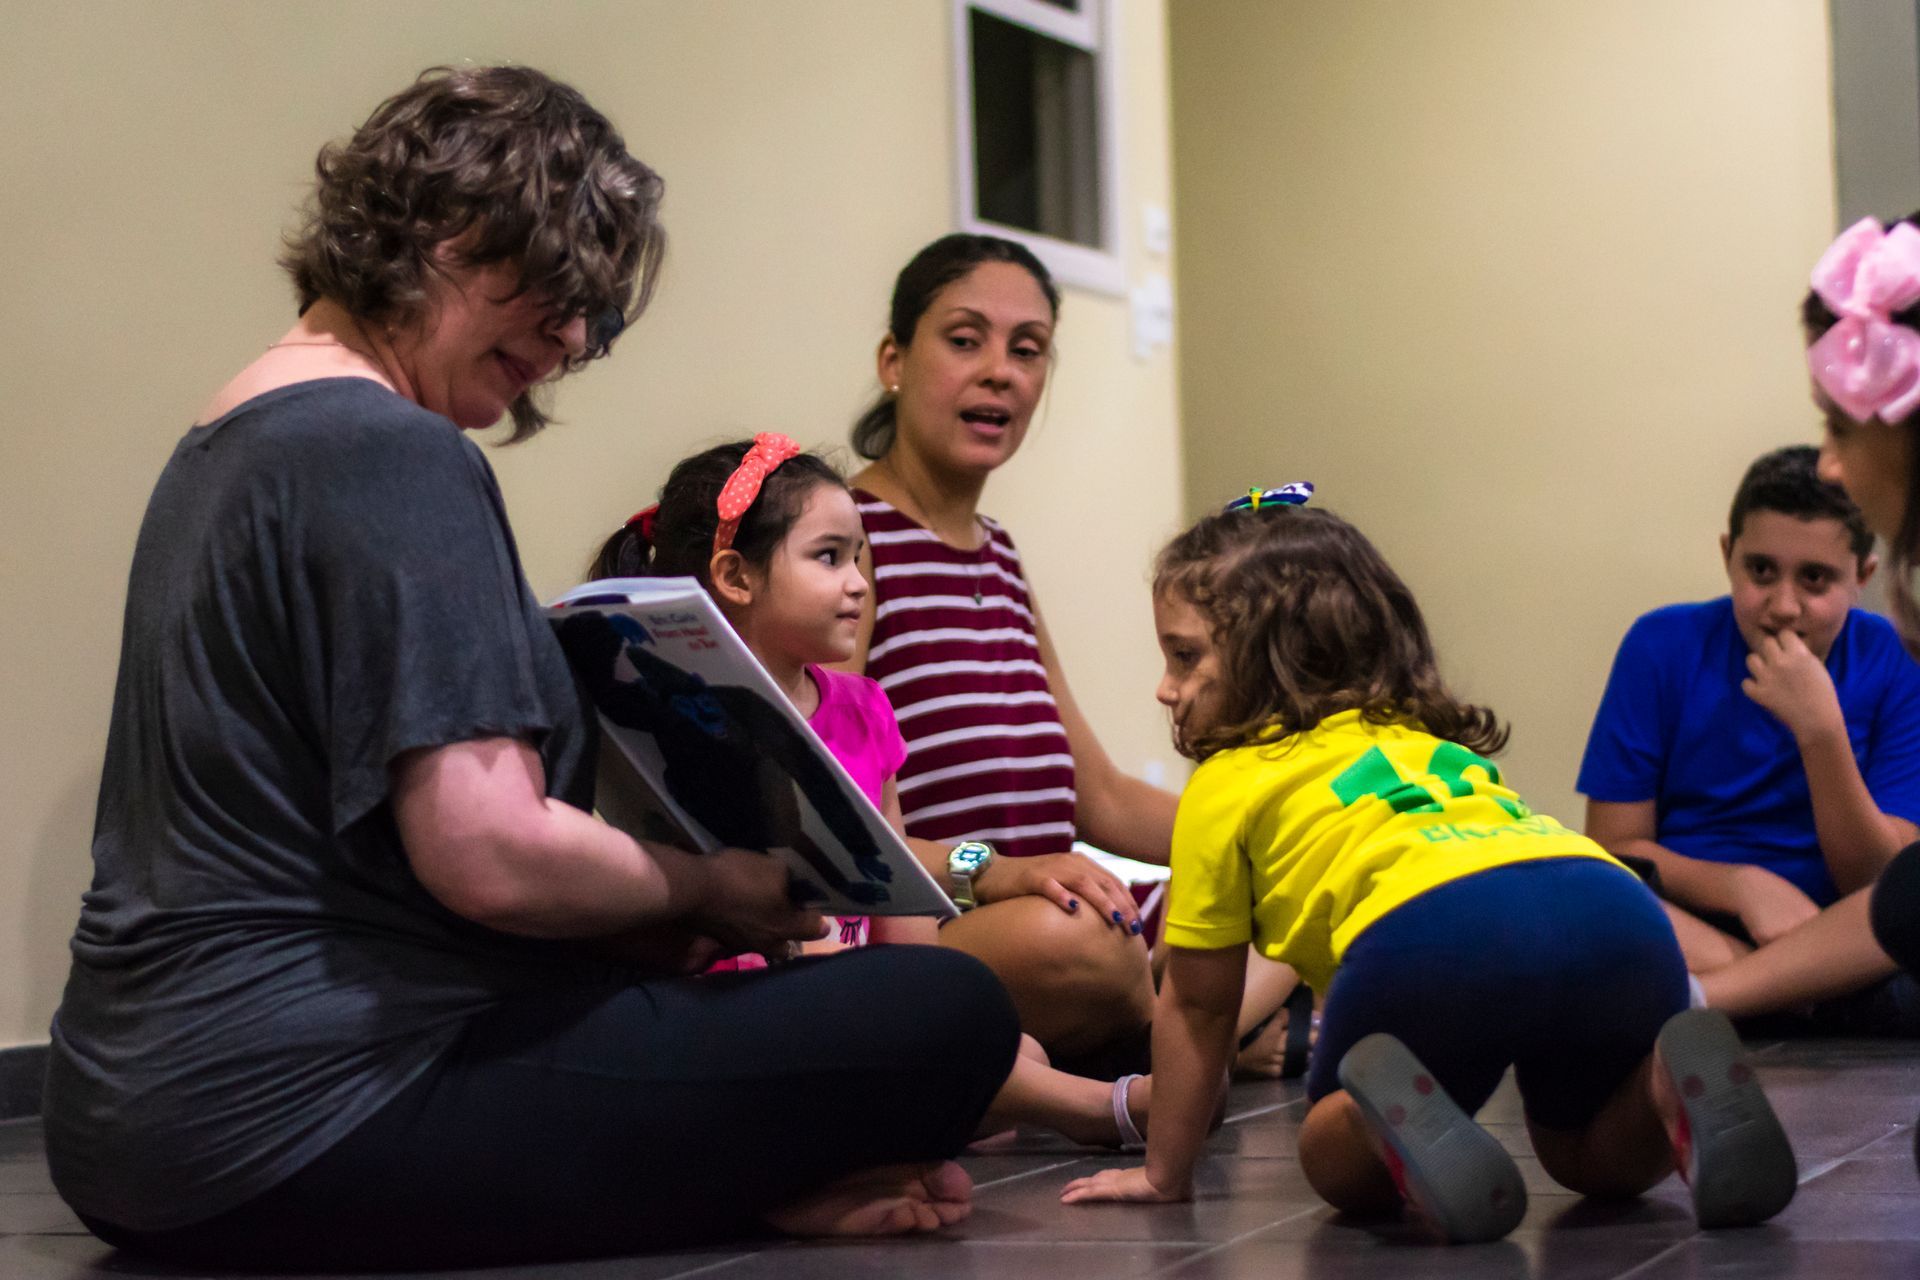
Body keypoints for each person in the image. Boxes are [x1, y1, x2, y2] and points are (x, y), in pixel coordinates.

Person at [41, 66, 1018, 1272]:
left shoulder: (223, 439)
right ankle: (762, 1183)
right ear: (455, 230)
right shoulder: (393, 451)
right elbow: (486, 848)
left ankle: (759, 1174)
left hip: (114, 1132)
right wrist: (703, 889)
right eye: (562, 295)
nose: (565, 345)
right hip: (298, 1118)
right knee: (950, 1015)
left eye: (588, 319)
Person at [1058, 491, 1796, 1244]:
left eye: (1184, 656)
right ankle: (1670, 1086)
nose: (1164, 686)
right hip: (1608, 906)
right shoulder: (1427, 741)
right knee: (1587, 1157)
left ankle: (1381, 1123)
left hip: (1433, 938)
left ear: (1272, 655)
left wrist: (1163, 1173)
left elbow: (1199, 1007)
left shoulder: (1225, 783)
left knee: (1330, 1157)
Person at [591, 433, 1182, 1145]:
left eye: (859, 557)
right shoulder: (688, 718)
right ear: (736, 576)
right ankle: (1104, 1111)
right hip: (752, 1002)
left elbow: (897, 880)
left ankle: (945, 1105)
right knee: (960, 1063)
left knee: (1000, 1043)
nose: (860, 582)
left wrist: (929, 1004)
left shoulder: (864, 706)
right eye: (828, 558)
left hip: (859, 993)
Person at [844, 232, 1304, 1075]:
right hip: (964, 921)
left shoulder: (999, 555)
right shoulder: (847, 544)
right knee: (1082, 946)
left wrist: (1279, 830)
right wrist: (1002, 869)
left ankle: (1171, 1034)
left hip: (1075, 902)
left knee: (1291, 893)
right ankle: (1194, 1040)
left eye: (1028, 350)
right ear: (893, 360)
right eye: (964, 339)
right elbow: (859, 838)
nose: (1000, 372)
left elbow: (1098, 797)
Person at [1579, 445, 1920, 1031]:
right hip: (1699, 923)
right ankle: (1794, 994)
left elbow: (1880, 884)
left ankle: (1708, 1000)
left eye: (1815, 579)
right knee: (1582, 896)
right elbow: (1616, 849)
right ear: (1727, 556)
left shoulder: (1896, 657)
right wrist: (1740, 886)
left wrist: (1821, 732)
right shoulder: (1660, 645)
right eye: (1761, 571)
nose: (1783, 607)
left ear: (1862, 577)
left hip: (1841, 928)